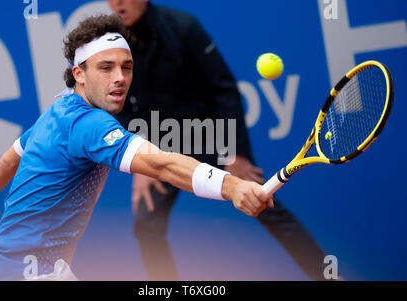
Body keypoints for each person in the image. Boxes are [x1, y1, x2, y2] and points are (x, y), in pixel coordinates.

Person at [0, 14, 273, 281]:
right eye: (106, 68)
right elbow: (161, 164)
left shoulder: (57, 112)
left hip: (4, 268)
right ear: (79, 74)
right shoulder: (89, 125)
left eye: (126, 67)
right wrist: (233, 187)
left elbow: (14, 154)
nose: (119, 79)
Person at [108, 0, 329, 281]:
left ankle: (328, 277)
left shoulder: (183, 26)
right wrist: (141, 161)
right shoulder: (114, 44)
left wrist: (236, 153)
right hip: (159, 146)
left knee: (263, 204)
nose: (117, 3)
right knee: (146, 226)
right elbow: (120, 107)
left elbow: (224, 89)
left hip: (210, 136)